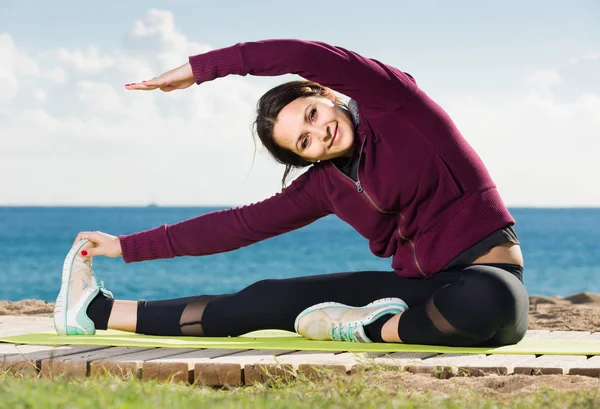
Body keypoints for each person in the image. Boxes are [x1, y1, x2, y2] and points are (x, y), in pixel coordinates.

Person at [53, 39, 528, 346]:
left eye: (311, 116)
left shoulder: (394, 104)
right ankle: (96, 311)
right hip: (419, 293)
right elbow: (236, 226)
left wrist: (201, 70)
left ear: (325, 94)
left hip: (487, 276)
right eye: (304, 142)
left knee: (491, 303)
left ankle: (364, 328)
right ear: (305, 159)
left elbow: (307, 56)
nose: (318, 134)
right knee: (260, 300)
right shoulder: (326, 184)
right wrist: (126, 248)